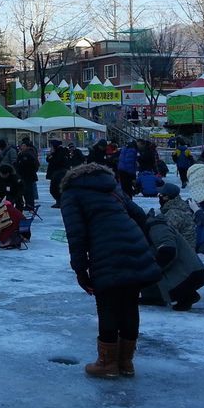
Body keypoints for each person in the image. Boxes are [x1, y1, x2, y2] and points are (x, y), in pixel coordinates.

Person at [60, 162, 162, 378]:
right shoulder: (111, 186)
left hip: (106, 252)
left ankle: (107, 364)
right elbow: (140, 215)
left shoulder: (72, 193)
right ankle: (126, 362)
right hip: (134, 247)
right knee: (129, 304)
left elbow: (76, 236)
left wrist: (80, 271)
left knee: (107, 305)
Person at [142, 208, 204, 311]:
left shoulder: (156, 227)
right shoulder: (151, 225)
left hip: (183, 268)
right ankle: (157, 296)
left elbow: (168, 251)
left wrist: (154, 270)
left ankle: (187, 296)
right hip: (183, 265)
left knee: (159, 264)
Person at [156, 181, 196, 248]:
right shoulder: (180, 205)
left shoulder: (173, 214)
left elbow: (166, 235)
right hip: (187, 247)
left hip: (183, 251)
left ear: (166, 197)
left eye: (160, 194)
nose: (158, 196)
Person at [15, 139, 40, 208]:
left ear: (26, 146)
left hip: (26, 175)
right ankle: (29, 204)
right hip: (28, 175)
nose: (21, 147)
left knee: (27, 191)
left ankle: (29, 204)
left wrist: (19, 166)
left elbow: (26, 165)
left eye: (22, 146)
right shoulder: (29, 153)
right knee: (28, 190)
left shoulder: (27, 154)